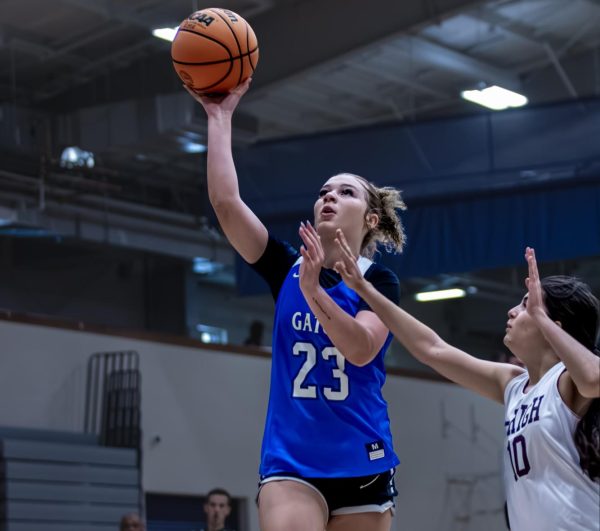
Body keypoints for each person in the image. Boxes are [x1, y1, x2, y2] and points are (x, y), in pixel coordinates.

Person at [185, 79, 407, 531]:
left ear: (370, 219)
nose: (329, 196)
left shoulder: (379, 281)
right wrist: (219, 117)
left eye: (346, 192)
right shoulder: (286, 266)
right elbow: (226, 204)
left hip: (362, 462)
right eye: (324, 190)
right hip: (293, 463)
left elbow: (361, 348)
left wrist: (315, 294)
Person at [334, 236, 600, 531]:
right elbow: (432, 349)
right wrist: (366, 290)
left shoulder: (566, 382)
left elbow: (593, 380)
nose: (512, 311)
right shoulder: (513, 384)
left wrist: (541, 316)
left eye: (526, 306)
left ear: (554, 326)